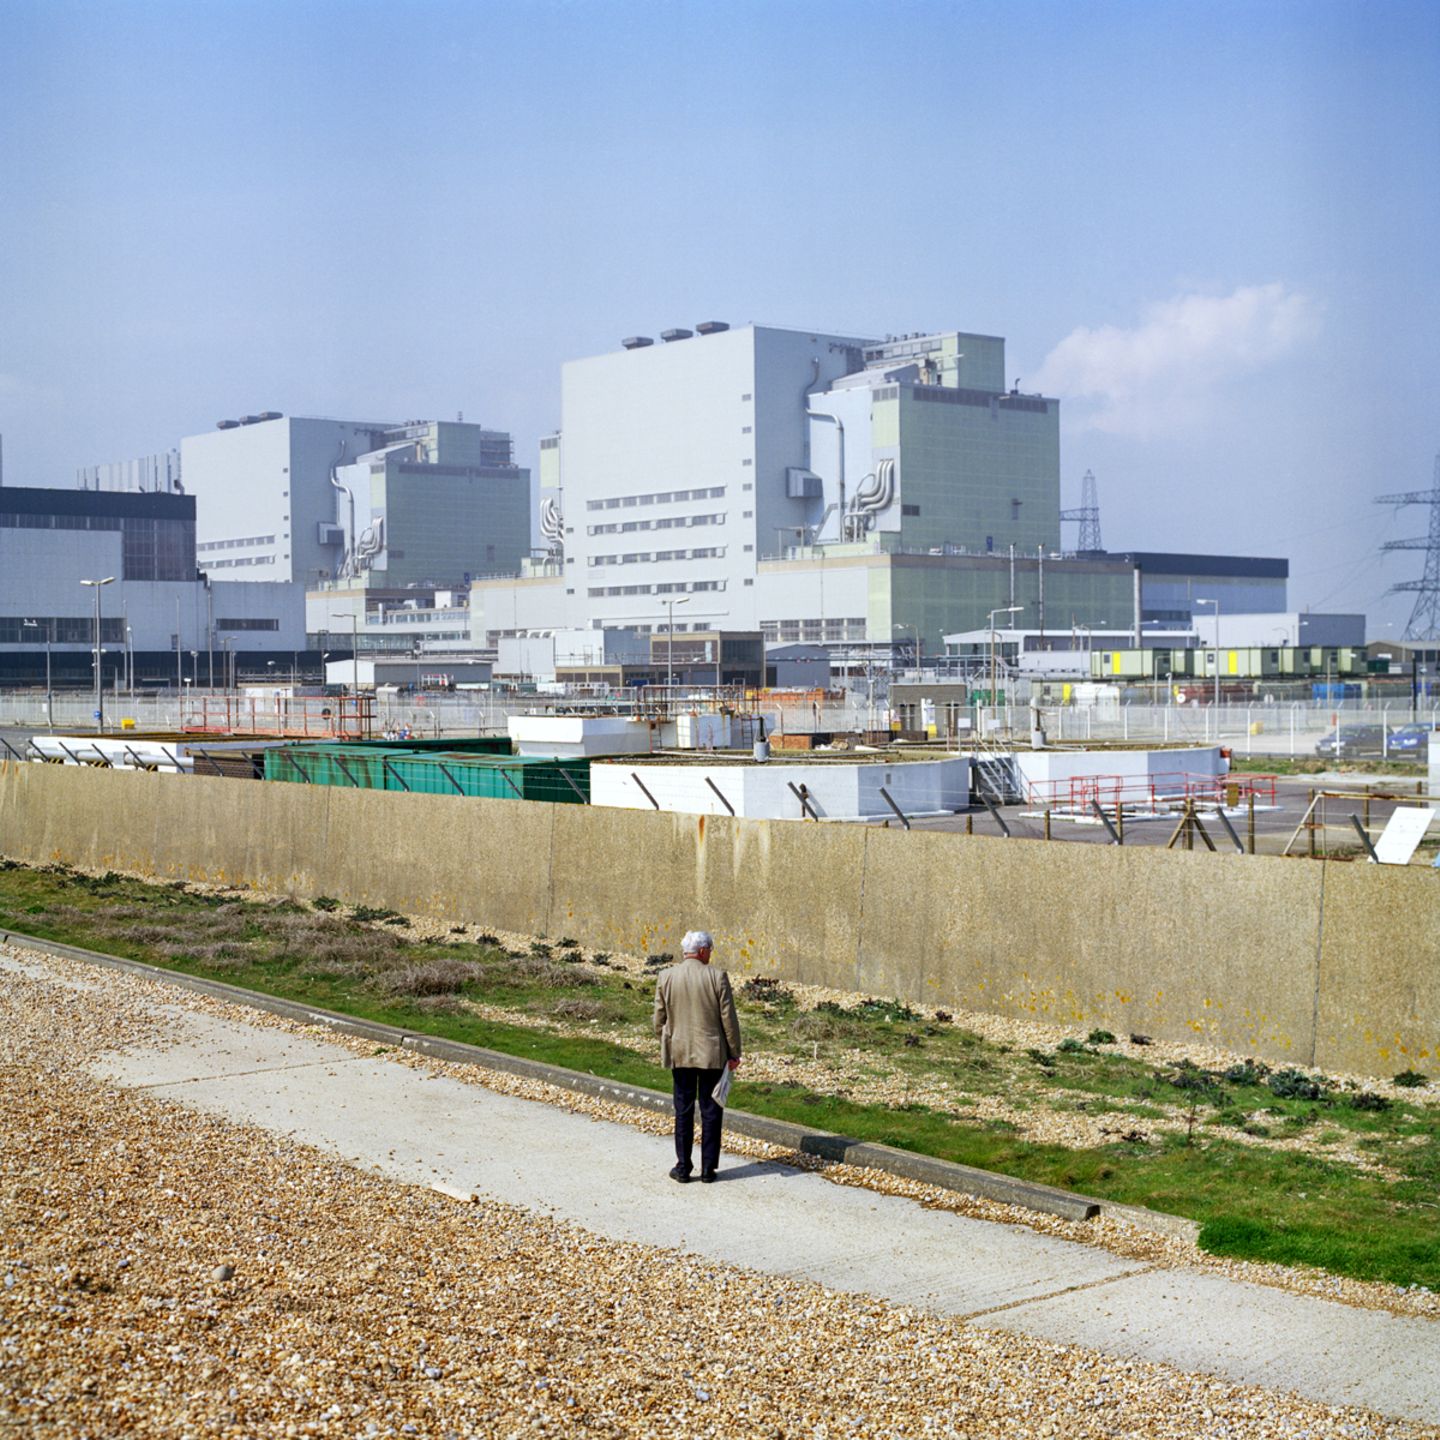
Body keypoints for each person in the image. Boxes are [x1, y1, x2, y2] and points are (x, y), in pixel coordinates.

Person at [653, 930, 742, 1184]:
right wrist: (734, 1052)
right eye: (710, 949)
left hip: (679, 1052)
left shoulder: (666, 976)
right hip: (712, 1054)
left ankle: (683, 1167)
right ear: (702, 951)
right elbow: (729, 1020)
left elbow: (659, 1020)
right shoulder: (717, 977)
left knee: (683, 1109)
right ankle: (708, 1169)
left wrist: (668, 1038)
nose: (711, 954)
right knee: (711, 1110)